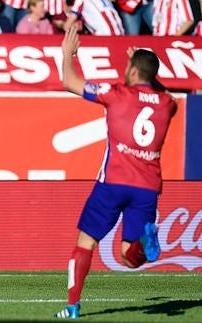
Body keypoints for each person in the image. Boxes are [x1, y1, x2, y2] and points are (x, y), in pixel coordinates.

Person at [54, 27, 177, 319]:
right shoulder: (167, 103)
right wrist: (146, 71)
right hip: (147, 187)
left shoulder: (116, 93)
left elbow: (69, 81)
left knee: (85, 243)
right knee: (128, 256)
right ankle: (145, 243)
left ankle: (72, 306)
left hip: (113, 183)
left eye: (128, 67)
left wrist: (67, 54)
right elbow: (157, 89)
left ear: (134, 71)